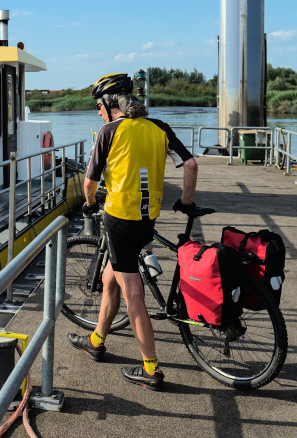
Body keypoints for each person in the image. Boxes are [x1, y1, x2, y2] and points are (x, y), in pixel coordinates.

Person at [68, 73, 198, 391]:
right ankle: (96, 340)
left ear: (111, 103)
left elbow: (89, 183)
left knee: (134, 295)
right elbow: (191, 165)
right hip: (147, 221)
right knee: (110, 278)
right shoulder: (159, 128)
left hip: (119, 222)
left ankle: (151, 369)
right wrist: (185, 201)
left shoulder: (109, 131)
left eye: (99, 105)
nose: (98, 111)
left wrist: (87, 206)